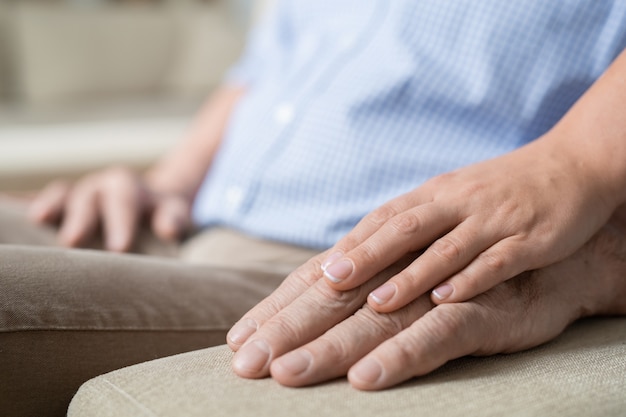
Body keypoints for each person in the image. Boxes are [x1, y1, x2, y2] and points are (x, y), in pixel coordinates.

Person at [3, 1, 626, 413]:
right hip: (181, 217)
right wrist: (168, 180)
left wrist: (576, 161)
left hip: (346, 260)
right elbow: (270, 64)